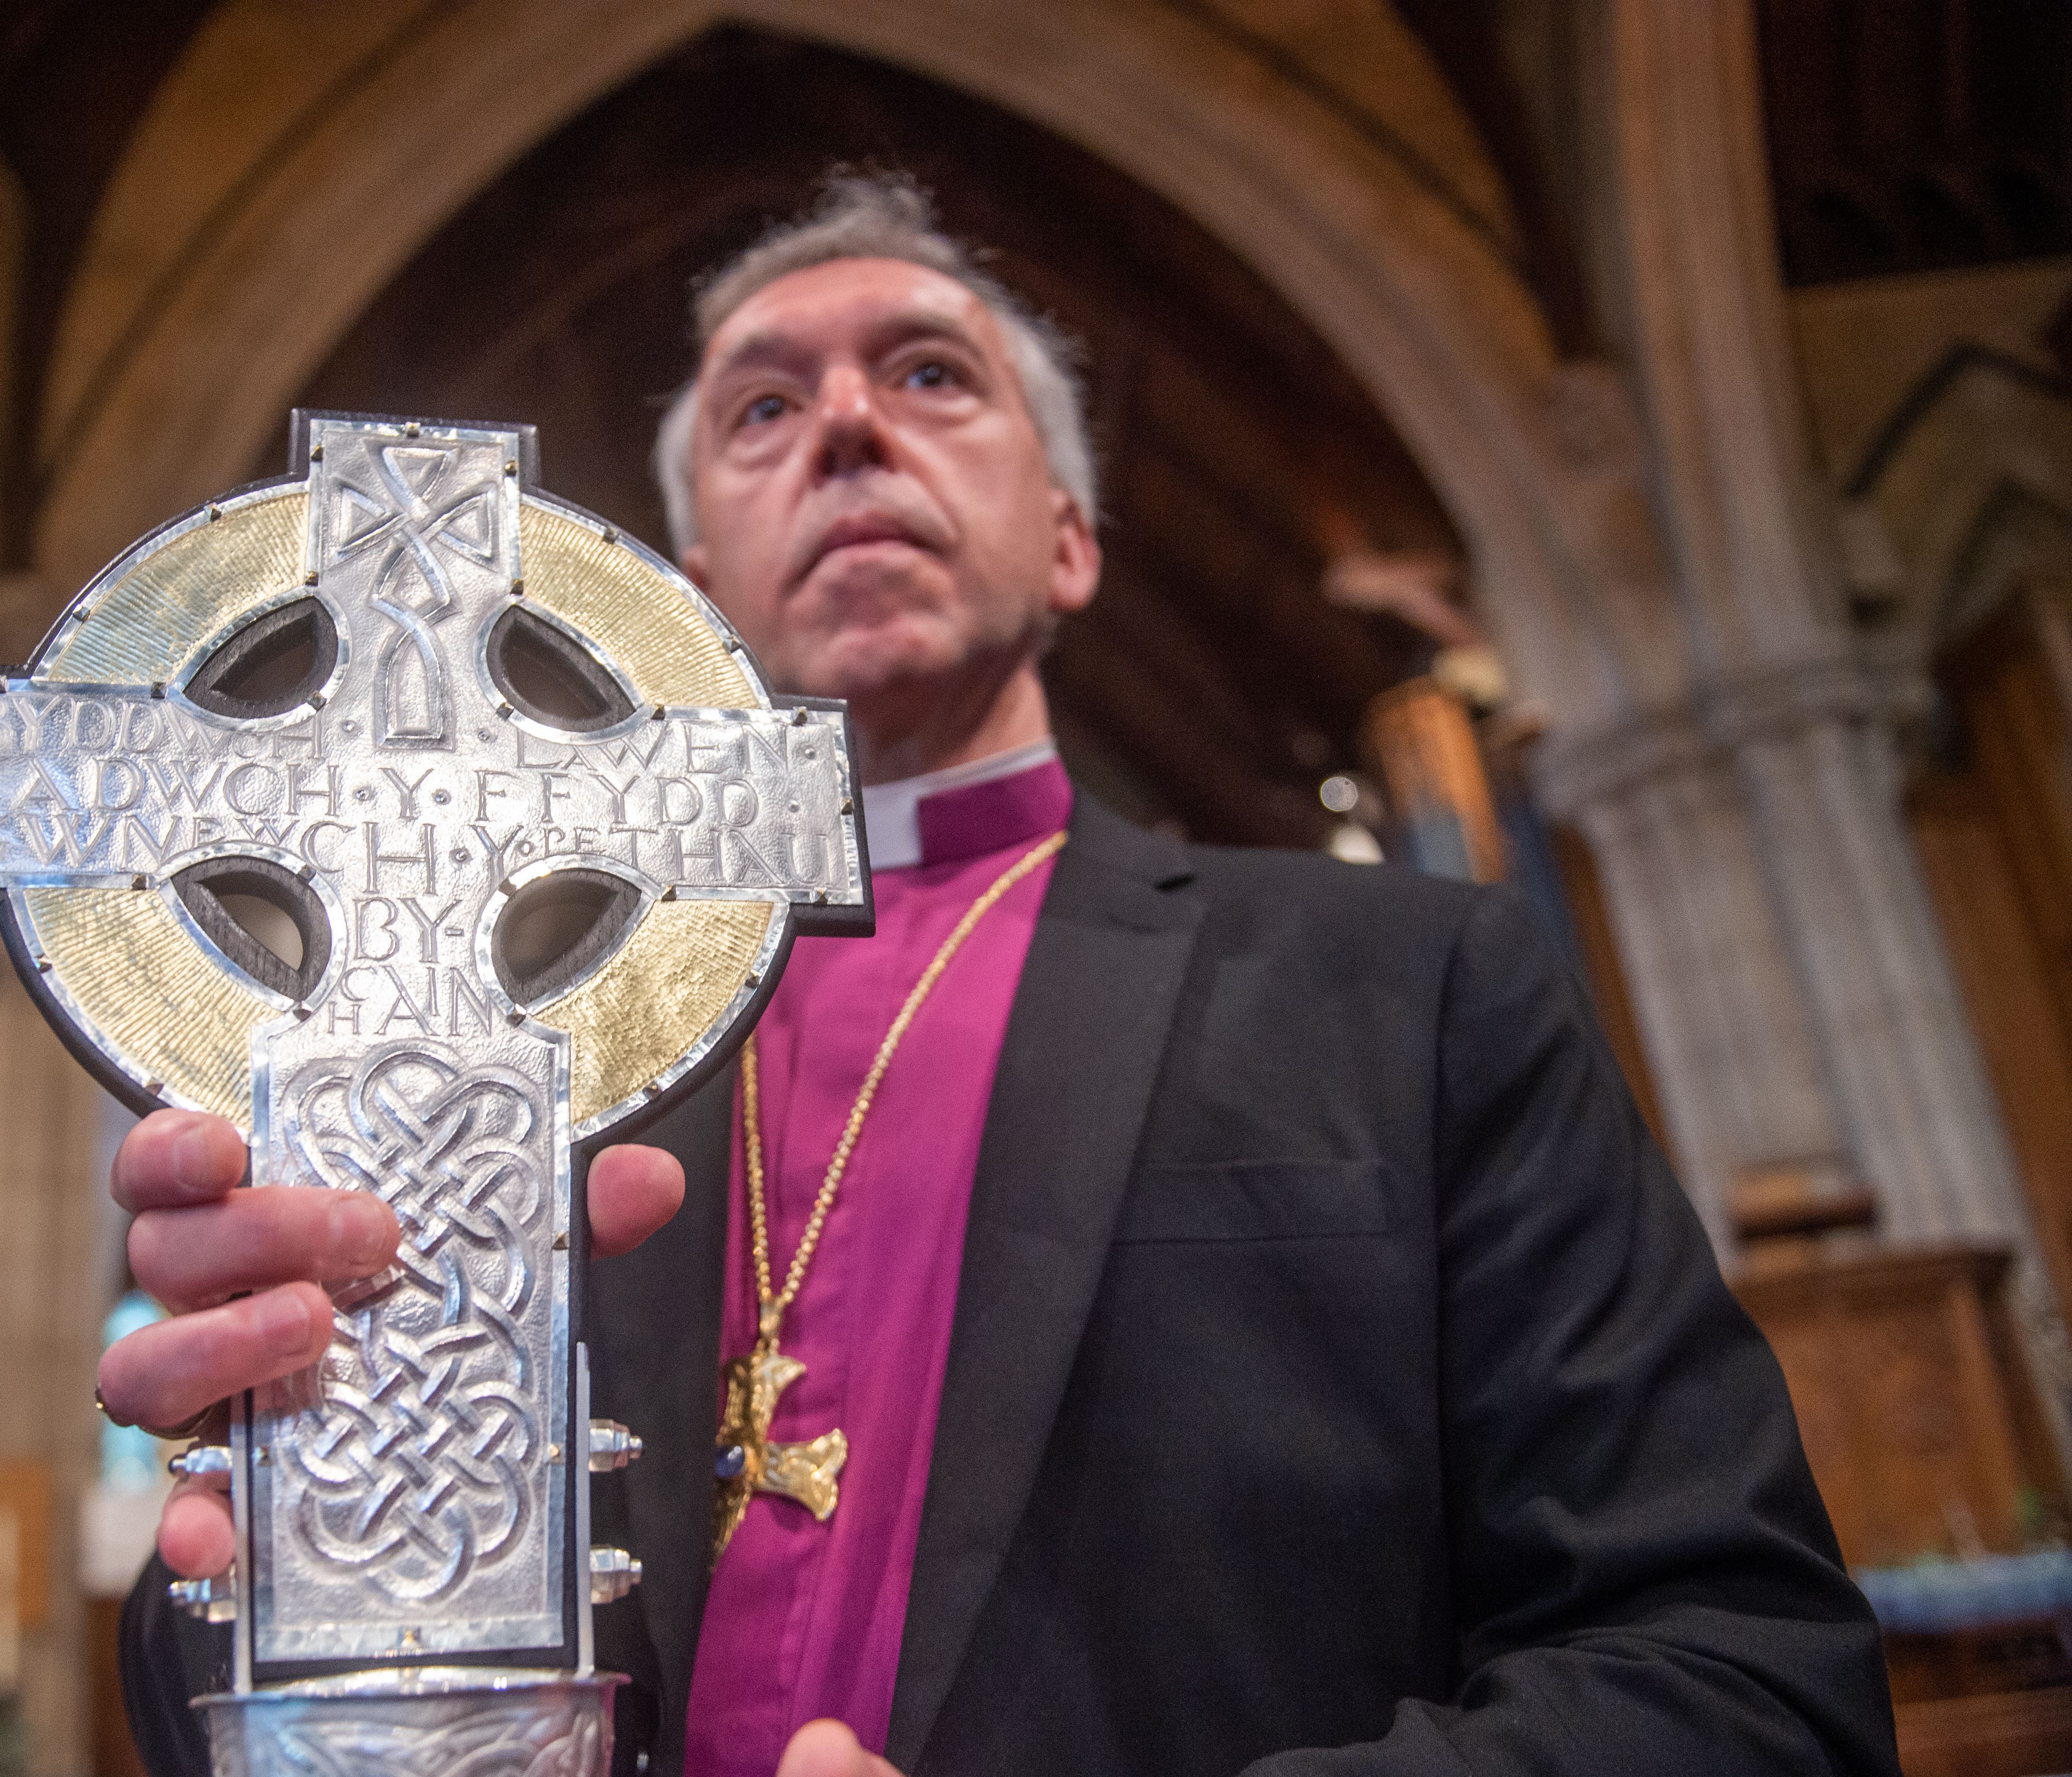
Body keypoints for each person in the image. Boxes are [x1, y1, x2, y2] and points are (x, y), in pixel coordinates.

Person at [104, 176, 1897, 1777]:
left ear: (1068, 534)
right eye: (762, 406)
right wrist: (281, 1518)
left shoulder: (1403, 988)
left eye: (932, 376)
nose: (848, 430)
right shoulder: (525, 1075)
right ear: (699, 585)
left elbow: (1746, 1690)